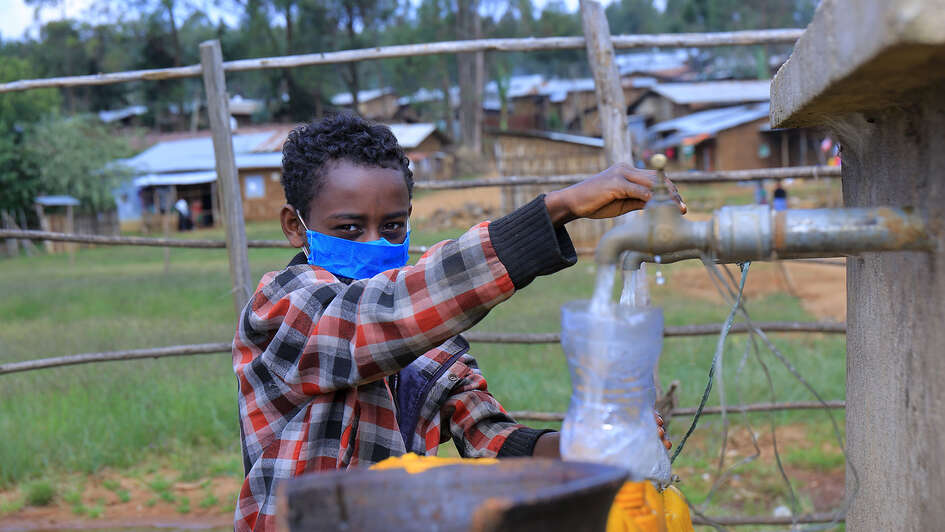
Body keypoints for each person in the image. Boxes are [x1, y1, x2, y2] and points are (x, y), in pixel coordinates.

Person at [232, 113, 685, 532]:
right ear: (295, 226)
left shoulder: (430, 340)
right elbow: (380, 317)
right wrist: (556, 209)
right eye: (350, 228)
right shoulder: (285, 309)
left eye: (392, 227)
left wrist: (588, 445)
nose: (375, 243)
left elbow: (488, 437)